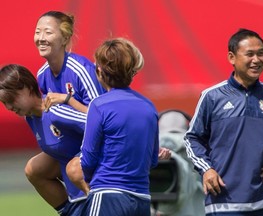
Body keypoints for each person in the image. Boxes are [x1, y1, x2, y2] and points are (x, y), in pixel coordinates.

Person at [184, 28, 263, 216]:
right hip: (223, 204)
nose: (256, 60)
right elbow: (192, 139)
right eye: (249, 54)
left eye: (260, 53)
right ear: (232, 58)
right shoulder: (212, 97)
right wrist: (207, 170)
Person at [24, 10, 106, 210]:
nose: (41, 38)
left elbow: (104, 119)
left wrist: (68, 99)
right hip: (72, 144)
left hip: (99, 146)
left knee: (75, 170)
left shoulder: (81, 69)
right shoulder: (42, 75)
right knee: (34, 169)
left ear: (65, 38)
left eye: (48, 32)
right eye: (37, 32)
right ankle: (71, 212)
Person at [75, 37, 159, 215]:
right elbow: (152, 159)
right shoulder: (148, 106)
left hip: (107, 194)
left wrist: (90, 179)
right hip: (142, 198)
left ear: (100, 71)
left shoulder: (99, 105)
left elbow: (88, 157)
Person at [0, 64, 88, 215]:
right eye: (4, 103)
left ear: (27, 87)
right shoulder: (31, 117)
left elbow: (99, 125)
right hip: (76, 193)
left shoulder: (55, 110)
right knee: (33, 169)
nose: (8, 106)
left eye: (10, 99)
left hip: (94, 185)